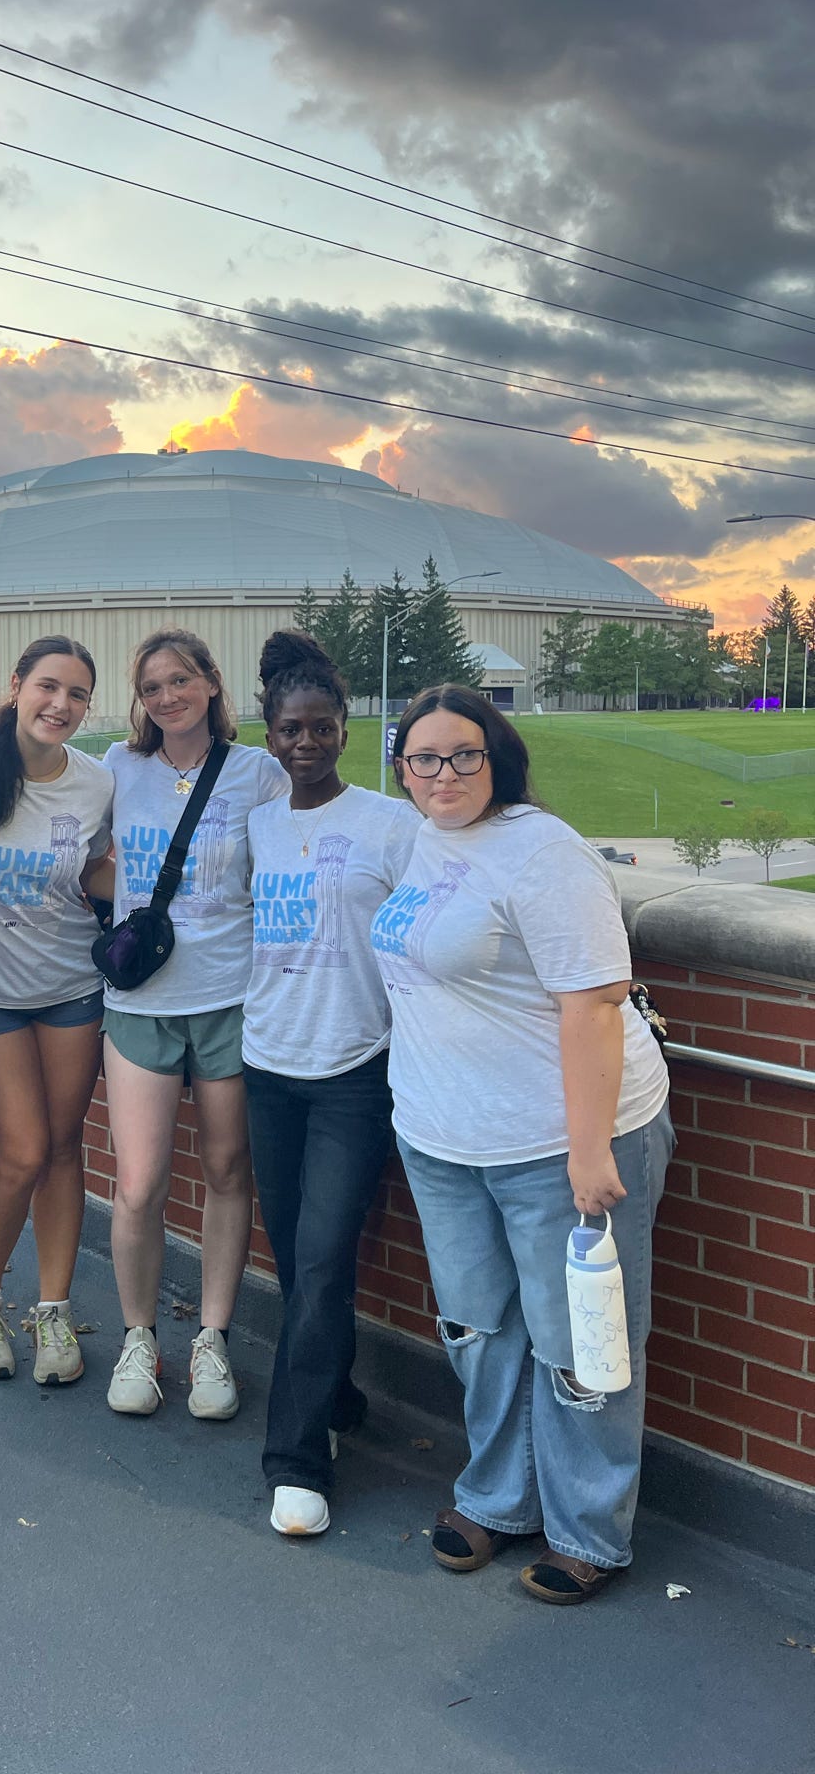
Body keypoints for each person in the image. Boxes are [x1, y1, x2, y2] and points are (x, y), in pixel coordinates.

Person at [373, 684, 672, 1603]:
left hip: (560, 1143)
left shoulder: (545, 853)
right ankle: (498, 1496)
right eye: (423, 758)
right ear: (403, 768)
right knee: (479, 1330)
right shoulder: (423, 837)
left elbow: (593, 1005)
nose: (443, 773)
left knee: (582, 1343)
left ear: (497, 757)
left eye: (464, 754)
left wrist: (590, 1154)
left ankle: (589, 1530)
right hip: (443, 1139)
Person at [242, 630, 421, 1537]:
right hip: (267, 1066)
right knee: (295, 1257)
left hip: (356, 1071)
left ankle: (298, 1459)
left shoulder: (393, 825)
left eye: (321, 728)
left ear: (346, 731)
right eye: (289, 729)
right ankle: (337, 1397)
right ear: (268, 734)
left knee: (320, 1263)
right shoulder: (259, 823)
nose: (304, 742)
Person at [101, 628, 287, 1420]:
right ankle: (138, 1338)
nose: (168, 697)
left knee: (225, 1172)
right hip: (140, 1005)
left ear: (212, 683)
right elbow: (16, 782)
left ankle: (211, 1340)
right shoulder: (116, 766)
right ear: (139, 702)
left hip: (231, 1000)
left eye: (181, 680)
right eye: (152, 688)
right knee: (139, 1184)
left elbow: (309, 846)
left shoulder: (259, 773)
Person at [0, 638, 113, 1387]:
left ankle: (52, 1307)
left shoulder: (97, 783)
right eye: (48, 686)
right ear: (16, 686)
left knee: (63, 1146)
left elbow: (111, 865)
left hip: (72, 987)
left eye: (77, 694)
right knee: (18, 1150)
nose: (61, 705)